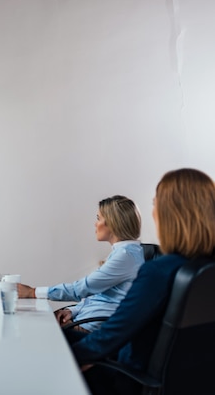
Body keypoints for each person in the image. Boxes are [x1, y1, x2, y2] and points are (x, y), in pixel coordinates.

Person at [68, 168, 215, 395]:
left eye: (155, 204)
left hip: (129, 376)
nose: (153, 212)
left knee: (55, 344)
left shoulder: (159, 271)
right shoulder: (206, 269)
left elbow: (116, 331)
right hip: (189, 381)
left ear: (169, 214)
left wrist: (72, 358)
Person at [18, 195, 144, 331]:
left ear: (113, 223)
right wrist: (72, 311)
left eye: (98, 218)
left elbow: (81, 289)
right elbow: (97, 295)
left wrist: (32, 292)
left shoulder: (125, 257)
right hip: (84, 319)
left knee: (29, 328)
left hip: (91, 331)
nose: (95, 224)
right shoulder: (125, 253)